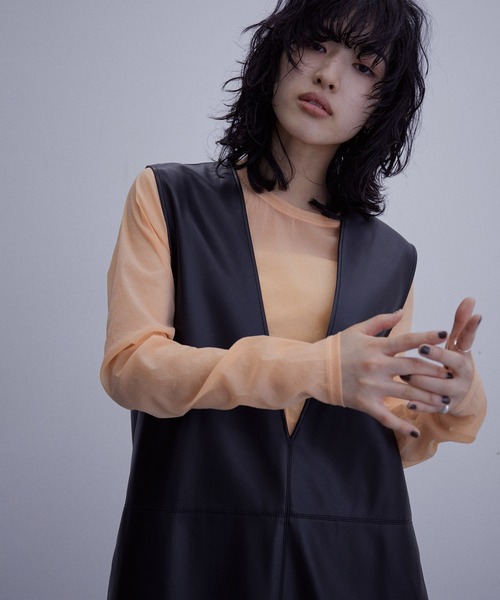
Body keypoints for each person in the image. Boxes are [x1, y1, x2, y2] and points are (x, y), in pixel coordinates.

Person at [101, 0, 486, 598]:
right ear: (276, 52)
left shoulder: (391, 257)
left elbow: (384, 440)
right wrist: (318, 368)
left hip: (353, 557)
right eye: (317, 44)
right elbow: (131, 369)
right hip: (196, 546)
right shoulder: (169, 198)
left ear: (382, 106)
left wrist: (450, 398)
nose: (329, 75)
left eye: (364, 67)